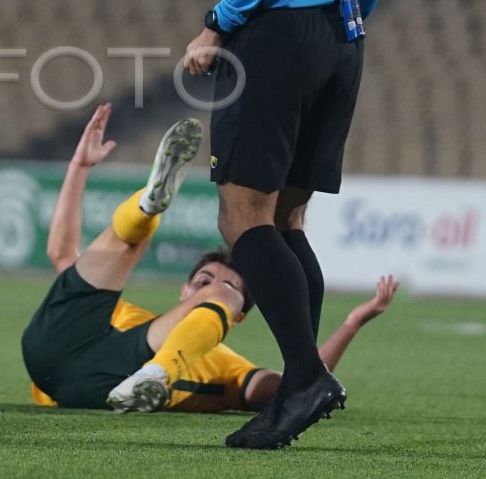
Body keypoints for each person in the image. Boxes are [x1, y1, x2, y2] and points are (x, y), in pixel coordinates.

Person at [183, 0, 399, 448]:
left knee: (241, 220)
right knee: (287, 221)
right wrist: (346, 19)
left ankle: (304, 380)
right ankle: (301, 384)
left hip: (277, 36)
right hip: (342, 38)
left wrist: (218, 21)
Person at [22, 105, 400, 423]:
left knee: (150, 253)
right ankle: (146, 206)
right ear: (184, 291)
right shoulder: (125, 317)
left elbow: (293, 386)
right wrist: (79, 166)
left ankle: (154, 376)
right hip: (53, 350)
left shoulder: (227, 369)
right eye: (202, 282)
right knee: (128, 243)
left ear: (235, 318)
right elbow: (62, 255)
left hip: (96, 387)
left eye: (224, 290)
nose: (208, 289)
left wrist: (351, 324)